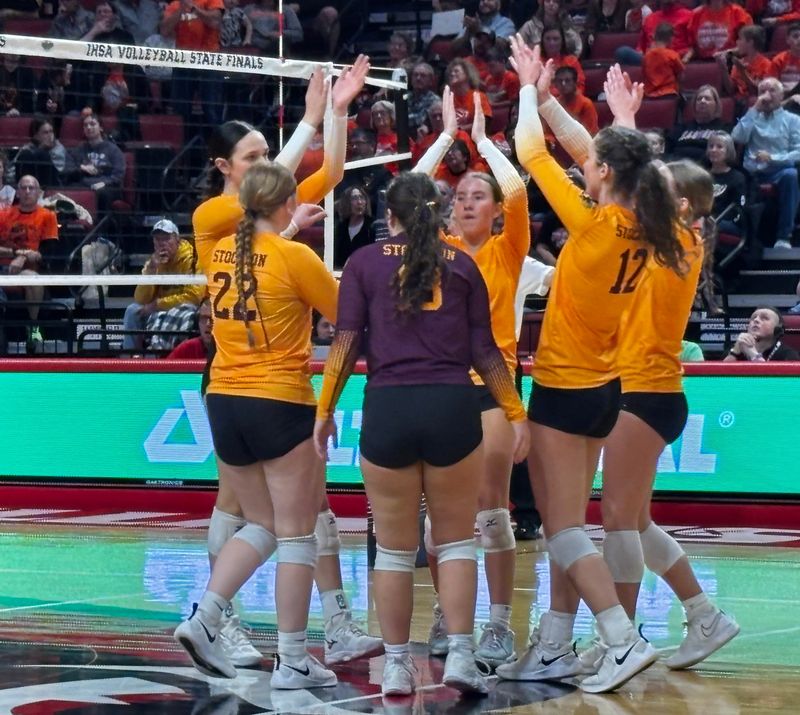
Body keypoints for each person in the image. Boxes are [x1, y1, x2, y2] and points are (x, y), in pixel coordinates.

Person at [499, 43, 685, 693]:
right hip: (606, 386)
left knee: (564, 529)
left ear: (604, 176)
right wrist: (606, 117)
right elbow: (597, 154)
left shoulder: (594, 224)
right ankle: (555, 641)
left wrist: (527, 92)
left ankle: (619, 635)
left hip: (564, 384)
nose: (584, 172)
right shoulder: (647, 215)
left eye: (592, 169)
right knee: (570, 527)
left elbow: (531, 154)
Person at [192, 58, 382, 669]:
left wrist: (340, 112)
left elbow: (326, 170)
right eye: (252, 157)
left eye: (264, 154)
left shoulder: (244, 229)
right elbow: (350, 321)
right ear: (225, 170)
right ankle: (224, 622)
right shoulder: (209, 218)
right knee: (253, 512)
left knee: (308, 509)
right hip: (257, 382)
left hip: (242, 388)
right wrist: (307, 118)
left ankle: (338, 626)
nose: (266, 163)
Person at [313, 171, 529, 697]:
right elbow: (486, 351)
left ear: (389, 217)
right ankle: (459, 653)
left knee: (392, 550)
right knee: (456, 542)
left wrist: (324, 409)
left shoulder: (362, 263)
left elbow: (345, 343)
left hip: (388, 407)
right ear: (438, 214)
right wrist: (515, 410)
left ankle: (394, 665)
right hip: (454, 407)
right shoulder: (465, 265)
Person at [174, 162, 341, 687]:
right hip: (279, 399)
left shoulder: (220, 250)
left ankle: (205, 618)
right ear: (287, 203)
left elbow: (259, 261)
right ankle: (292, 660)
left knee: (261, 524)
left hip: (223, 398)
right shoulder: (296, 256)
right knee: (296, 536)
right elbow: (348, 318)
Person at [597, 159, 740, 677]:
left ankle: (623, 643)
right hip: (639, 391)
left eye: (659, 189)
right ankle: (705, 615)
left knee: (617, 520)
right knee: (634, 521)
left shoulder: (683, 241)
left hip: (647, 393)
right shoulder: (658, 241)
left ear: (682, 205)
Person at [413, 87, 531, 669]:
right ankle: (445, 610)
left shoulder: (510, 249)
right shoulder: (439, 247)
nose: (463, 202)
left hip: (496, 385)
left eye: (475, 195)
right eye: (459, 195)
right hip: (442, 386)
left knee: (490, 509)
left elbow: (517, 187)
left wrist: (484, 142)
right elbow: (410, 194)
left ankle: (501, 624)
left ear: (496, 211)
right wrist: (442, 139)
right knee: (439, 519)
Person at [731, 77, 800, 250]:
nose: (766, 96)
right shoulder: (752, 115)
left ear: (781, 94)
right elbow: (737, 137)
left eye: (772, 91)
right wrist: (754, 109)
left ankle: (784, 236)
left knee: (791, 175)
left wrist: (773, 158)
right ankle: (743, 237)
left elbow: (798, 152)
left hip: (779, 171)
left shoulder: (793, 120)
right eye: (762, 92)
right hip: (752, 172)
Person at [122, 219, 204, 352]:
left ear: (177, 239)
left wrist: (158, 305)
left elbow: (194, 297)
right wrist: (151, 270)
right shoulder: (153, 263)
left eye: (166, 239)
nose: (162, 244)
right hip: (158, 308)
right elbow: (140, 299)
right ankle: (130, 359)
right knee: (133, 310)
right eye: (157, 240)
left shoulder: (192, 260)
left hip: (182, 308)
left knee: (187, 313)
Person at [0, 175, 59, 352]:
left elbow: (48, 252)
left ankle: (33, 328)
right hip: (2, 267)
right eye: (23, 188)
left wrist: (25, 258)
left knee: (33, 280)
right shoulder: (4, 215)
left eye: (31, 188)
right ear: (17, 192)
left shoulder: (47, 216)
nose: (27, 192)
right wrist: (21, 253)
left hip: (27, 270)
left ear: (39, 192)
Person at [63, 113, 126, 214]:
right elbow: (67, 170)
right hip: (83, 185)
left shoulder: (113, 150)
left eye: (92, 124)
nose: (88, 127)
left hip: (106, 187)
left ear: (100, 127)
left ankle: (99, 226)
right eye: (85, 125)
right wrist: (81, 168)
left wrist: (104, 183)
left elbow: (118, 175)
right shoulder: (78, 150)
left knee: (102, 194)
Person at [668, 85, 733, 162]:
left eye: (707, 99)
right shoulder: (682, 128)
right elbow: (668, 149)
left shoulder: (724, 128)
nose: (702, 101)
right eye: (699, 99)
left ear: (716, 105)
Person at [718, 25, 776, 102]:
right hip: (738, 102)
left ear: (750, 42)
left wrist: (742, 71)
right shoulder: (739, 62)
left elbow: (757, 92)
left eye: (740, 39)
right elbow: (731, 90)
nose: (737, 42)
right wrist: (724, 69)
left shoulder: (766, 65)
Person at [724, 306, 800, 360]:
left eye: (765, 318)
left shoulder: (789, 356)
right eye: (753, 318)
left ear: (778, 329)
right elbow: (721, 379)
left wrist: (753, 354)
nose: (756, 320)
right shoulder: (736, 348)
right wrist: (734, 352)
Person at [687, 0, 752, 62]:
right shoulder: (696, 14)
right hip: (702, 64)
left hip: (729, 63)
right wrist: (685, 59)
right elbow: (693, 47)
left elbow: (747, 46)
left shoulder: (737, 13)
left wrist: (726, 54)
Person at [14, 118, 68, 190]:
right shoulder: (26, 150)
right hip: (29, 185)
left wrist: (42, 152)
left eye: (51, 132)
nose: (50, 136)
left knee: (42, 155)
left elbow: (60, 174)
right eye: (45, 133)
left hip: (54, 186)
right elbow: (12, 173)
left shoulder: (58, 148)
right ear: (36, 136)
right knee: (27, 155)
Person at [334, 185, 374, 269]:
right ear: (347, 202)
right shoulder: (341, 227)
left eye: (362, 197)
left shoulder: (372, 226)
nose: (359, 202)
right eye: (354, 198)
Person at [642, 22, 683, 98]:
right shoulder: (672, 55)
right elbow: (680, 73)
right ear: (671, 38)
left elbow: (644, 75)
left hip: (650, 95)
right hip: (669, 93)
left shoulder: (646, 56)